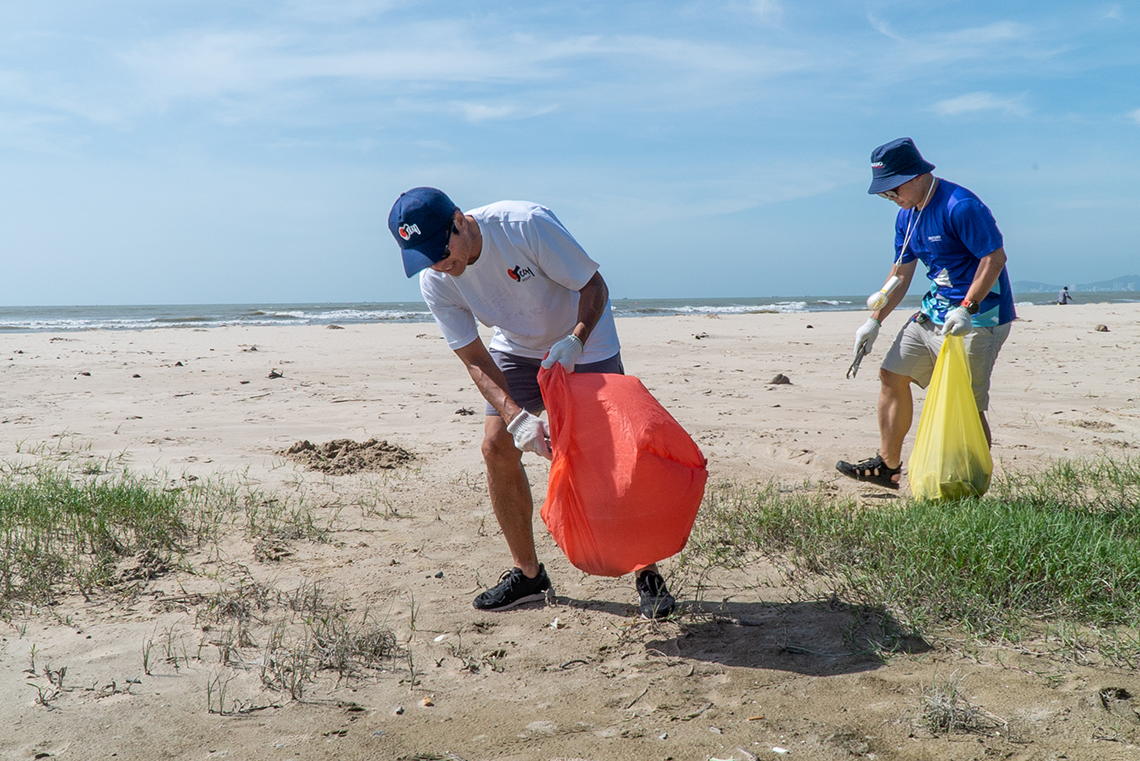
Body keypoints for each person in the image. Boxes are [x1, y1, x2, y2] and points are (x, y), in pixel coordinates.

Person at [388, 187, 677, 619]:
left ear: (460, 221)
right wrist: (515, 416)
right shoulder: (436, 279)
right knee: (496, 446)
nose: (438, 265)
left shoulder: (524, 225)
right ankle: (528, 576)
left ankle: (646, 572)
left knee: (608, 456)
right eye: (424, 258)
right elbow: (474, 357)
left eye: (440, 250)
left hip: (586, 338)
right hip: (517, 347)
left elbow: (593, 285)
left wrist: (576, 342)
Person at [837, 138, 1016, 489]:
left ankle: (970, 483)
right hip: (933, 312)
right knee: (891, 375)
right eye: (884, 193)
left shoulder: (960, 206)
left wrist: (967, 307)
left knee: (966, 404)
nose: (891, 198)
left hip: (978, 318)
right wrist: (874, 321)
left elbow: (994, 259)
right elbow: (901, 276)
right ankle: (887, 467)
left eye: (893, 189)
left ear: (916, 175)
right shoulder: (906, 217)